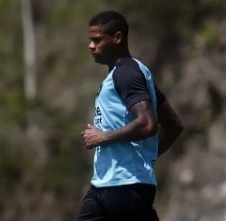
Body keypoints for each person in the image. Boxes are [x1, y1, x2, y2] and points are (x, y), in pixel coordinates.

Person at [77, 11, 184, 221]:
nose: (91, 46)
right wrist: (148, 156)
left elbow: (147, 124)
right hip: (105, 185)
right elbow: (173, 124)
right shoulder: (127, 73)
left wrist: (102, 137)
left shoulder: (127, 73)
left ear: (117, 38)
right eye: (91, 40)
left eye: (97, 40)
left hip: (125, 186)